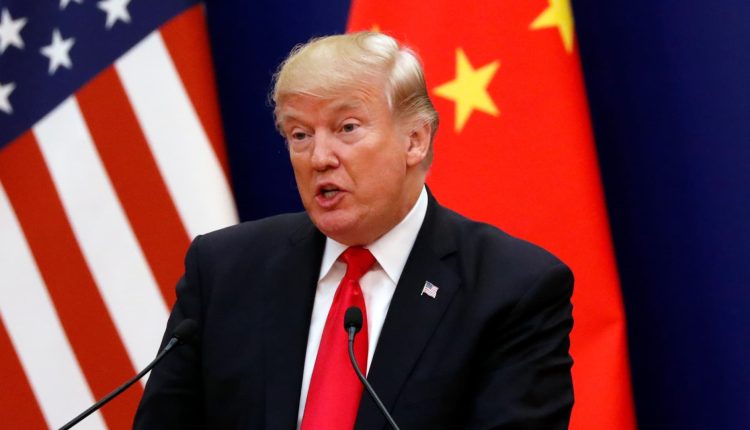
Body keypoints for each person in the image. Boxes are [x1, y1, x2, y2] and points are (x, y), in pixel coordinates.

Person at [134, 31, 574, 429]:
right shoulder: (224, 270)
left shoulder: (511, 290)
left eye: (346, 128)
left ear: (415, 140)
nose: (319, 157)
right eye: (300, 135)